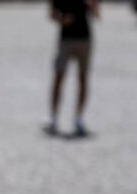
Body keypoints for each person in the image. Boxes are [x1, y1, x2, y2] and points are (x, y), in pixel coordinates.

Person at [46, 0, 99, 137]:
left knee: (82, 78)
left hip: (84, 39)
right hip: (66, 39)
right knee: (59, 76)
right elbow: (52, 14)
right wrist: (62, 19)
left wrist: (93, 5)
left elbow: (97, 15)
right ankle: (53, 118)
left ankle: (79, 119)